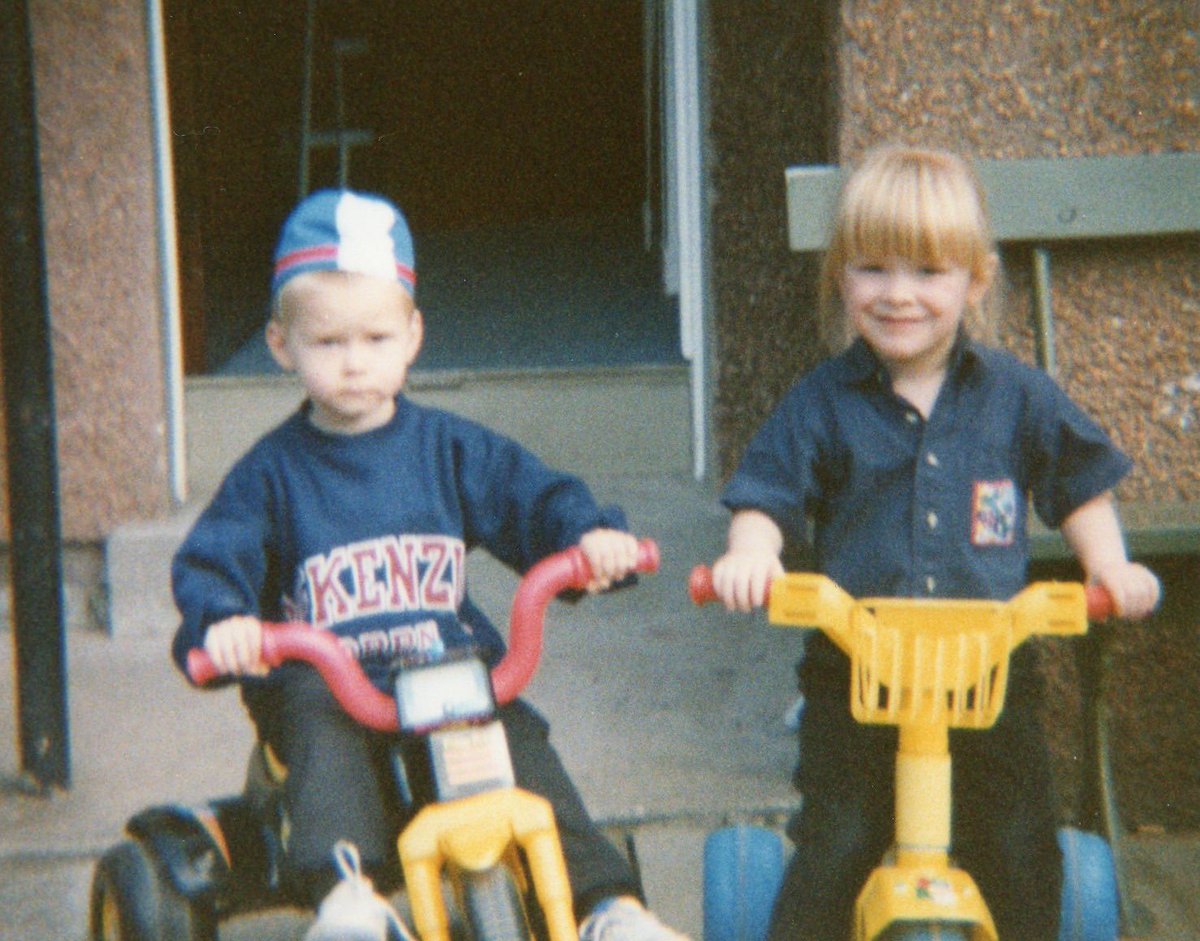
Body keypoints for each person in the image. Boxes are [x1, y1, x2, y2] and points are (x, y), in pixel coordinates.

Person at [171, 188, 687, 941]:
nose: (355, 364)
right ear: (281, 344)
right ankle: (347, 897)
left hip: (443, 678)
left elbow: (528, 496)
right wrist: (224, 624)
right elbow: (217, 555)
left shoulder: (448, 450)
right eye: (328, 343)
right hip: (337, 690)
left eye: (376, 339)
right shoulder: (270, 475)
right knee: (315, 708)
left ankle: (608, 907)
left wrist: (587, 540)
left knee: (517, 736)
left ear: (413, 336)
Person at [707, 145, 1160, 941]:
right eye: (872, 269)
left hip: (988, 673)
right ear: (840, 279)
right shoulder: (822, 401)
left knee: (1020, 850)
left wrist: (1111, 565)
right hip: (858, 674)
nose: (898, 294)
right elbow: (766, 491)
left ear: (974, 282)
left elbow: (1080, 481)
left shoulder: (1016, 395)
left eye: (926, 271)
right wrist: (753, 552)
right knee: (836, 845)